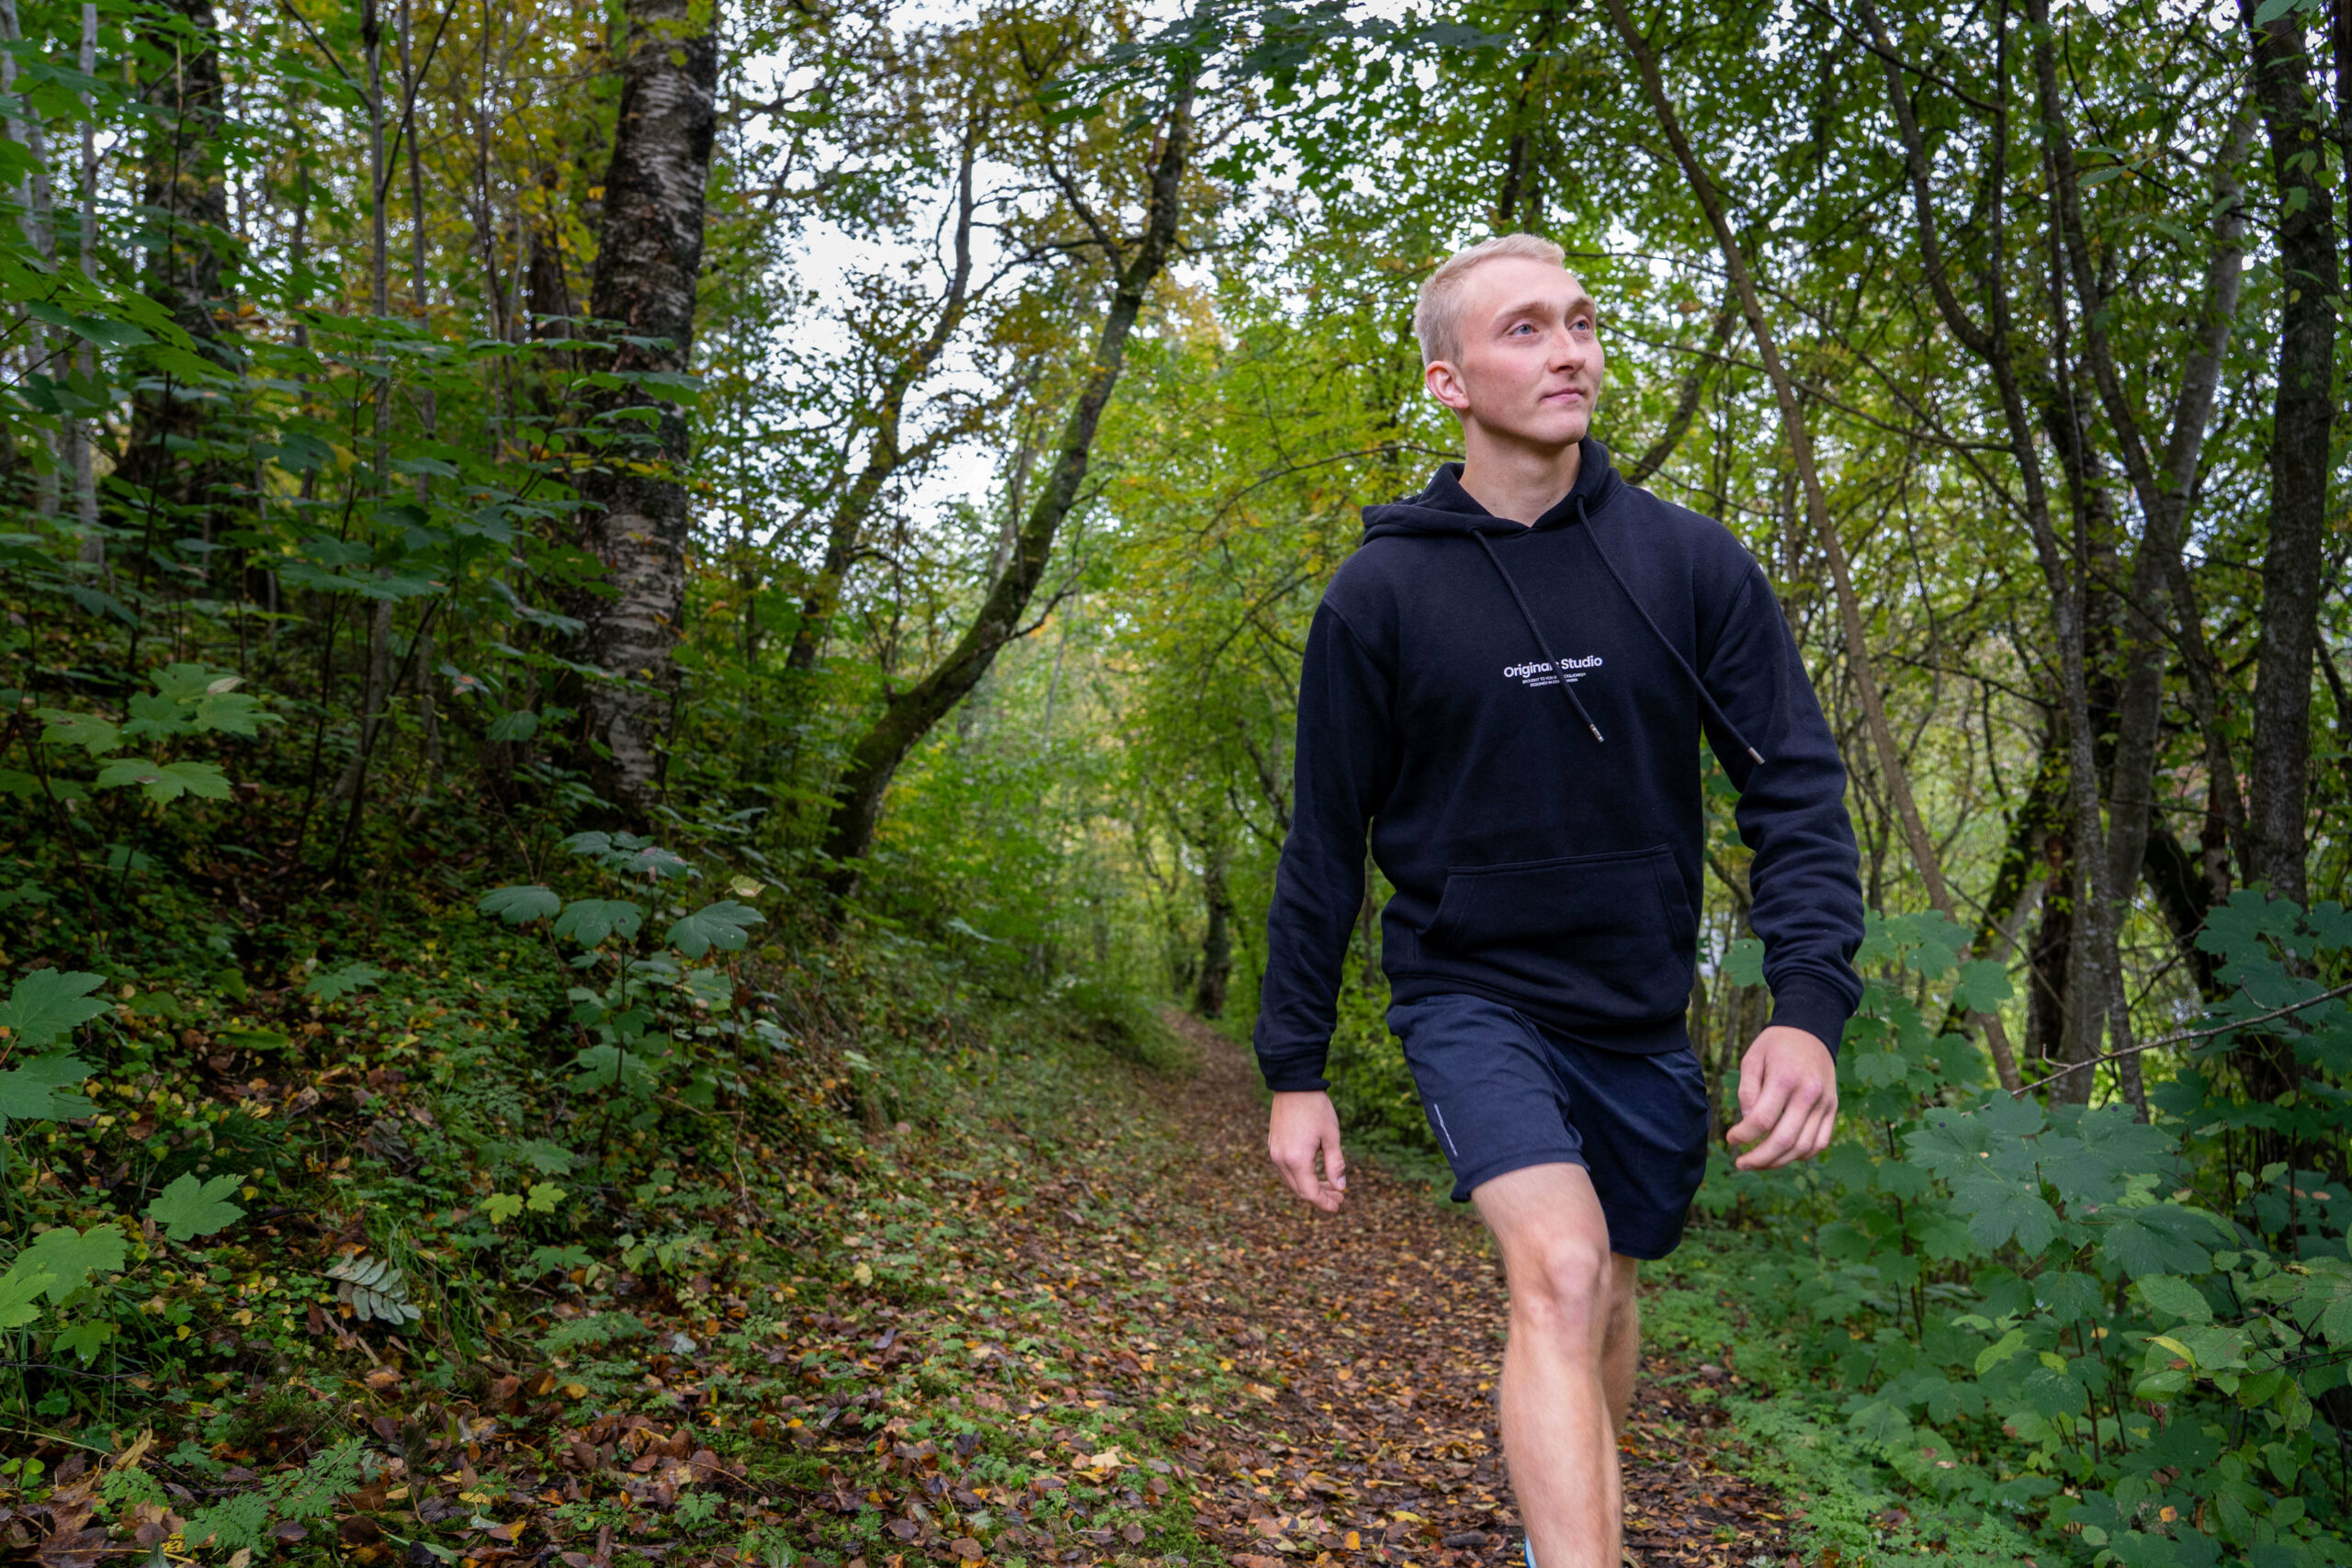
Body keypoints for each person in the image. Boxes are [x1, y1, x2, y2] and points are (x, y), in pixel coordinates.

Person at [1251, 233, 1866, 1568]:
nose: (1571, 348)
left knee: (1611, 1291)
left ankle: (1559, 1534)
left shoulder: (1692, 568)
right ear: (1447, 380)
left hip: (1638, 1005)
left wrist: (1807, 1006)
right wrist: (1294, 1064)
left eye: (1581, 322)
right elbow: (1325, 841)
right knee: (1561, 1270)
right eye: (1525, 328)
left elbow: (1797, 793)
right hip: (1469, 987)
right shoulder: (1382, 594)